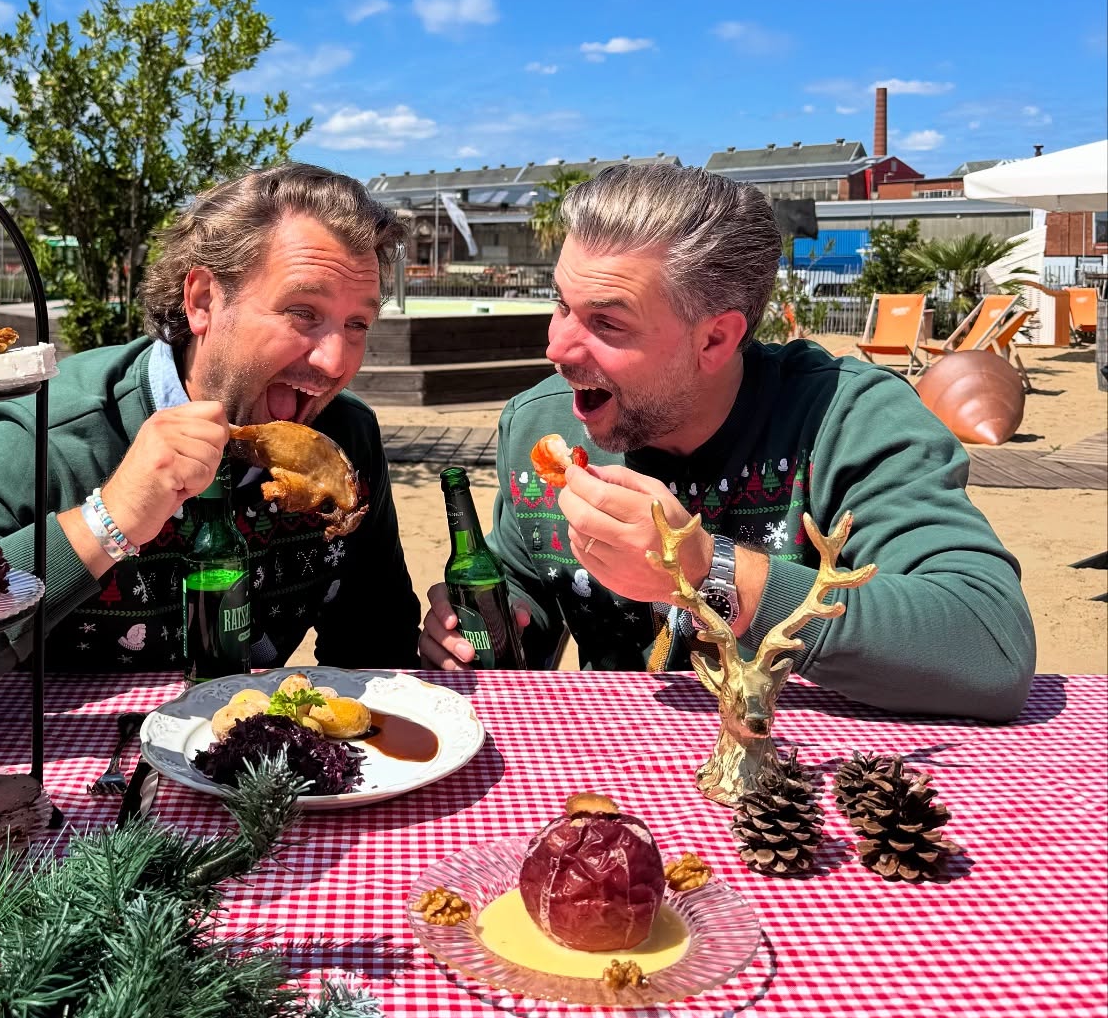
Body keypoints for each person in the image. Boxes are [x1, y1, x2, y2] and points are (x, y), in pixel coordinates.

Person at [0, 166, 418, 762]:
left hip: (254, 787)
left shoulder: (343, 441)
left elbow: (374, 647)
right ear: (201, 301)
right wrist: (104, 523)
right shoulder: (44, 439)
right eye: (303, 313)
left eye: (357, 324)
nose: (336, 362)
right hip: (39, 815)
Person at [421, 161, 1035, 721]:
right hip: (612, 789)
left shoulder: (848, 420)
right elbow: (532, 594)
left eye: (606, 322)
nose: (556, 349)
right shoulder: (540, 427)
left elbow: (988, 645)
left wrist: (704, 569)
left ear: (715, 340)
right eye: (562, 305)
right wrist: (482, 623)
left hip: (802, 793)